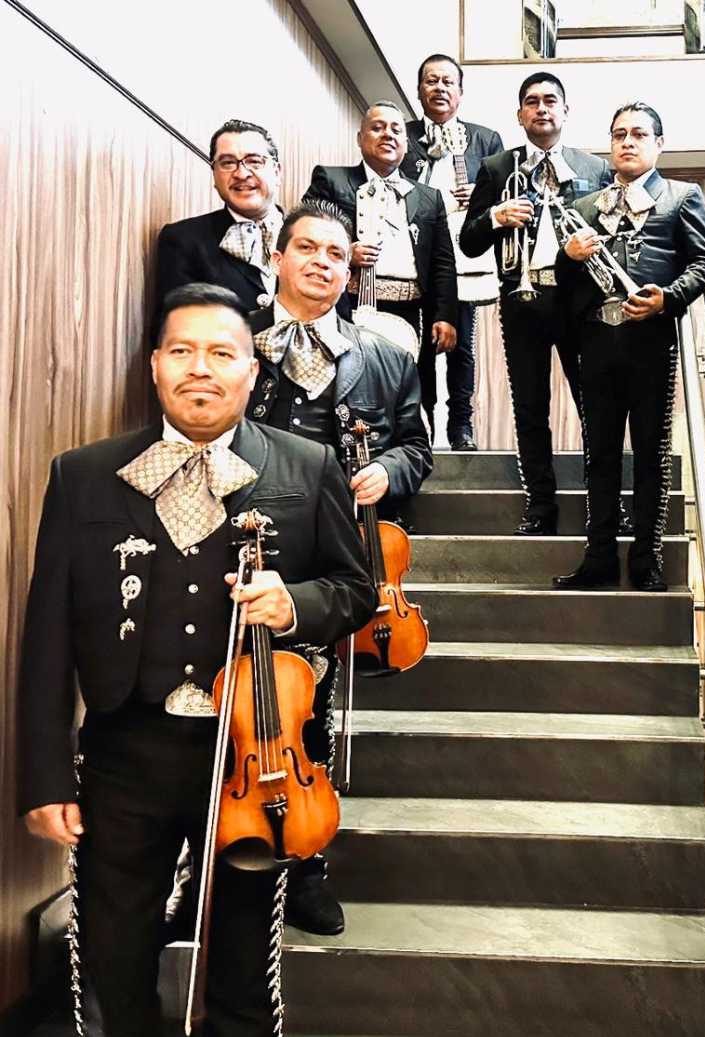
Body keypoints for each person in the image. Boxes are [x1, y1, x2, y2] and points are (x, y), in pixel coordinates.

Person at [18, 282, 376, 1037]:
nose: (199, 369)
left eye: (221, 353)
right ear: (155, 366)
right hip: (124, 755)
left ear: (253, 371)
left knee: (243, 975)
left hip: (254, 758)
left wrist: (296, 604)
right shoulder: (82, 474)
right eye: (181, 351)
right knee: (113, 969)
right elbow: (47, 636)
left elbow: (356, 592)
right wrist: (45, 778)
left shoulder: (307, 466)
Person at [247, 199, 433, 934]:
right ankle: (210, 856)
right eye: (307, 248)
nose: (323, 261)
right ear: (280, 259)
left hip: (326, 561)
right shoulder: (238, 341)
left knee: (306, 715)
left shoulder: (384, 356)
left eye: (335, 251)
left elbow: (417, 446)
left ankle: (306, 867)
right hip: (236, 545)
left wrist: (388, 470)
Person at [552, 102, 705, 592]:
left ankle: (646, 561)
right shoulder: (584, 208)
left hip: (652, 344)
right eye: (619, 134)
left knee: (651, 454)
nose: (627, 142)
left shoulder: (682, 196)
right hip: (597, 344)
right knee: (598, 455)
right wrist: (567, 257)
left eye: (639, 134)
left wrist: (668, 297)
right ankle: (599, 559)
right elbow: (566, 286)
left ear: (658, 144)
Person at [461, 72, 612, 535]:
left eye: (551, 101)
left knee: (594, 406)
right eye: (532, 102)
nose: (542, 108)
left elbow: (609, 236)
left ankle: (602, 505)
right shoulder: (495, 168)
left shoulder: (594, 169)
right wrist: (494, 215)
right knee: (530, 408)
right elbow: (468, 242)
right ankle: (541, 506)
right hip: (521, 301)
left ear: (565, 111)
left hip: (579, 304)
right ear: (519, 115)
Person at [303, 100, 458, 435]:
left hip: (412, 310)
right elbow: (304, 234)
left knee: (414, 390)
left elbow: (443, 261)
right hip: (348, 305)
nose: (387, 134)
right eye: (377, 127)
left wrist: (445, 314)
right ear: (360, 138)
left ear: (406, 143)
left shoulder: (429, 197)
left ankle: (412, 453)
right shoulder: (331, 179)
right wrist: (344, 252)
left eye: (396, 129)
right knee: (348, 383)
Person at [400, 53, 504, 450]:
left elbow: (498, 197)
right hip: (415, 253)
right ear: (419, 90)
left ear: (460, 92)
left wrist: (478, 197)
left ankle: (461, 427)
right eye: (431, 81)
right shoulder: (403, 134)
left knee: (461, 344)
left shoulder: (486, 138)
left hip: (464, 254)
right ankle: (421, 427)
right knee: (421, 345)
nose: (439, 88)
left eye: (448, 81)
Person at [155, 119, 284, 312]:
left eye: (254, 161)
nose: (241, 174)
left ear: (277, 172)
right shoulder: (183, 240)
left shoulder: (314, 236)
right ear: (214, 175)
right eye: (228, 163)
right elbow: (174, 329)